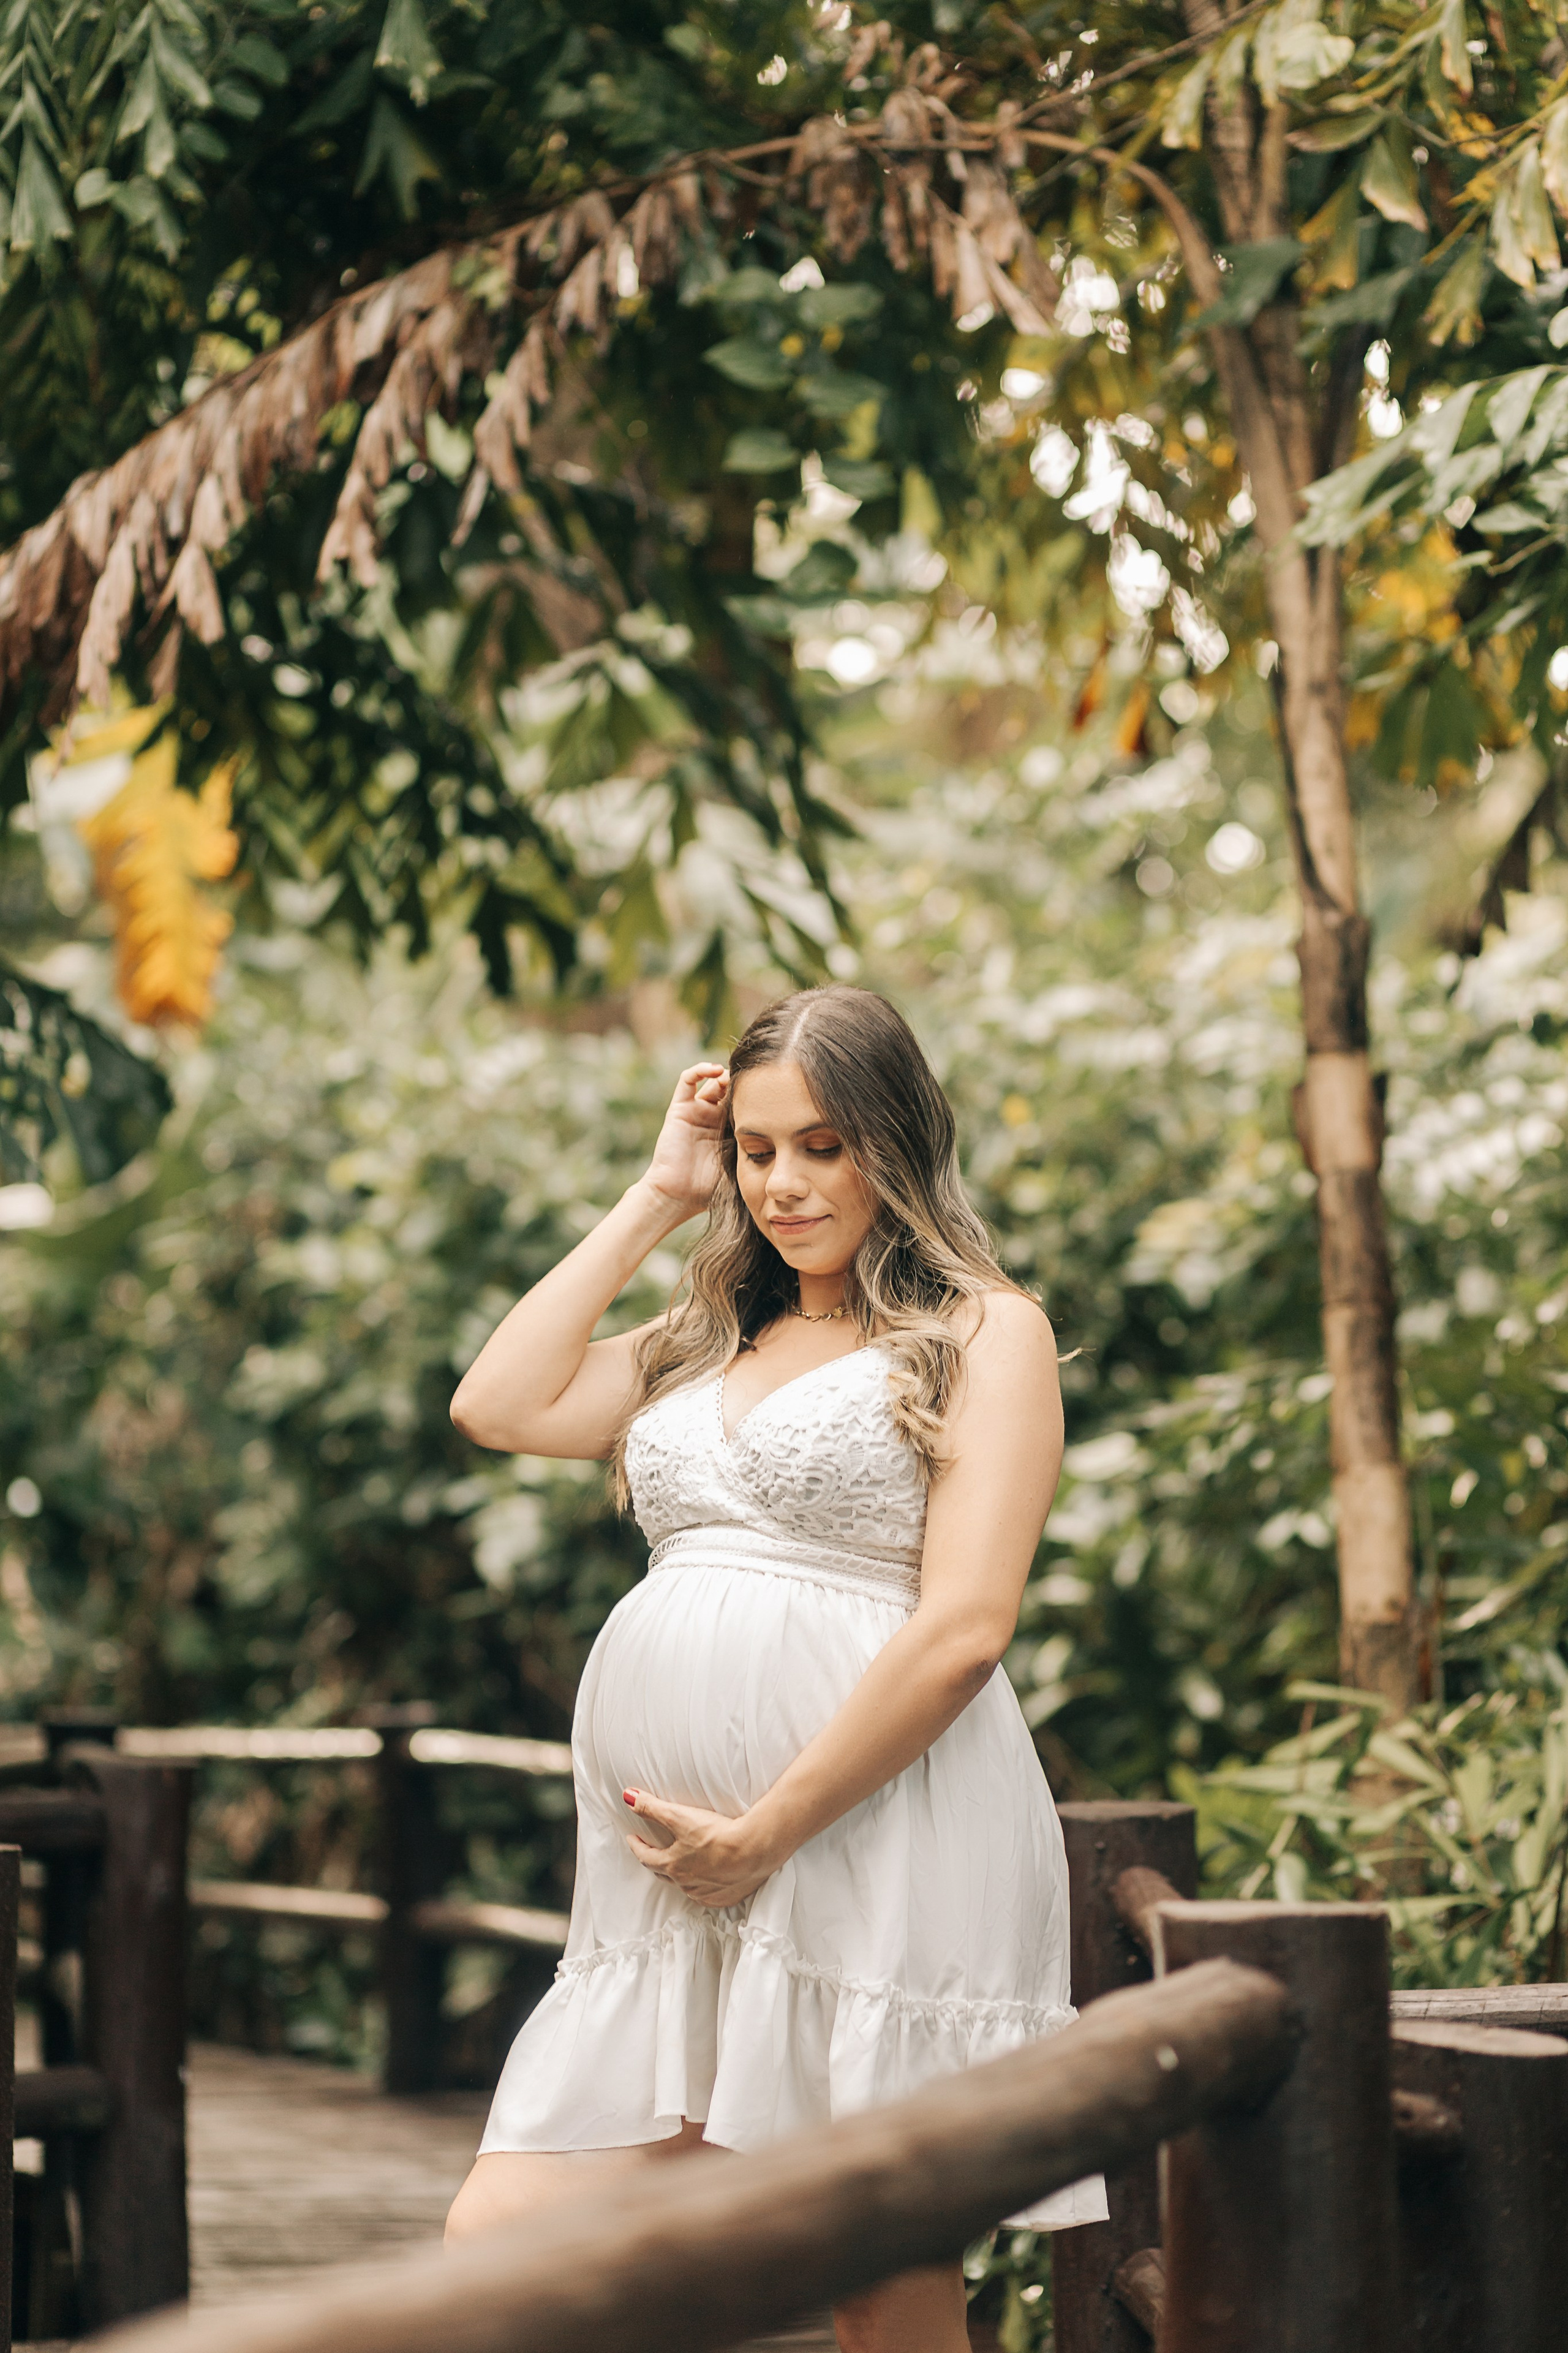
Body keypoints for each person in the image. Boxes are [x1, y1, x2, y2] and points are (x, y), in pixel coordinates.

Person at [443, 984, 1105, 2352]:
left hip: (872, 1843)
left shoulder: (986, 1333)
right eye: (755, 1149)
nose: (783, 1182)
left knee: (873, 2272)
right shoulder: (704, 1337)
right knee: (502, 2247)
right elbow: (495, 1403)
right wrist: (654, 1195)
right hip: (670, 1895)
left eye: (821, 1144)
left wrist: (767, 1829)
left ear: (894, 1144)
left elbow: (966, 1627)